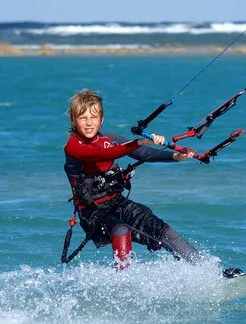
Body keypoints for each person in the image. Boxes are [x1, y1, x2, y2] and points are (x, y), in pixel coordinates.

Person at [63, 89, 202, 268]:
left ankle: (209, 272)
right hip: (92, 212)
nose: (89, 123)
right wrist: (139, 141)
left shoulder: (109, 138)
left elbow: (141, 153)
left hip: (117, 203)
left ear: (101, 119)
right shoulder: (73, 147)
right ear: (74, 121)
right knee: (121, 231)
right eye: (83, 118)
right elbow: (100, 155)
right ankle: (123, 284)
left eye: (94, 117)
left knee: (163, 230)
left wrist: (177, 157)